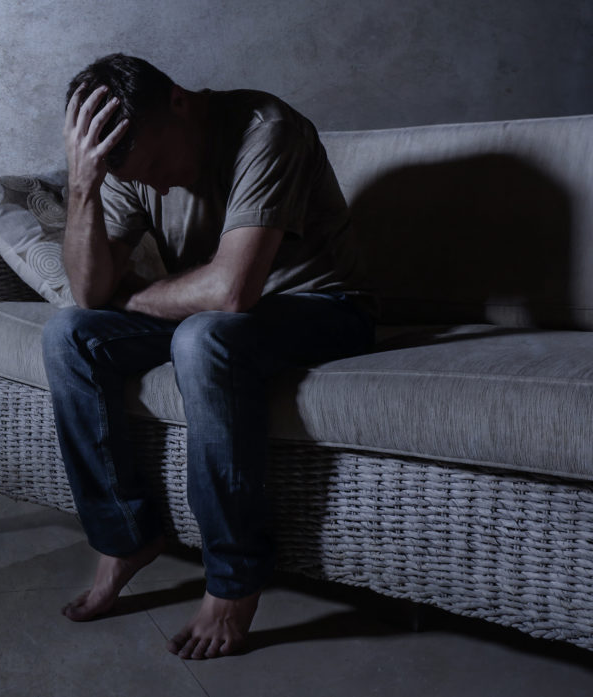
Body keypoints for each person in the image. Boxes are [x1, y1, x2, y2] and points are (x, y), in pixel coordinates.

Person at [41, 53, 376, 660]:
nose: (161, 186)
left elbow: (229, 292)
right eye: (143, 178)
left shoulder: (266, 130)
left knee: (204, 336)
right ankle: (124, 538)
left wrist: (136, 295)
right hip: (222, 317)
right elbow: (89, 293)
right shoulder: (132, 164)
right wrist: (83, 184)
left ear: (179, 100)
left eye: (161, 164)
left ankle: (235, 579)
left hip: (324, 307)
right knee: (70, 334)